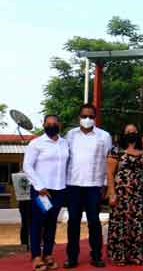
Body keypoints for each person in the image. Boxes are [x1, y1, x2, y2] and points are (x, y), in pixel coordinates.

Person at [64, 103, 112, 269]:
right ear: (79, 117)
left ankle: (97, 256)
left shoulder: (104, 136)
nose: (87, 119)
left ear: (95, 117)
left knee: (94, 223)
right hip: (73, 185)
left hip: (94, 185)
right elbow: (66, 159)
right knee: (73, 223)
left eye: (91, 116)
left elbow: (108, 161)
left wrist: (105, 185)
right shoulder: (70, 135)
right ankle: (72, 257)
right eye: (84, 116)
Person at [23, 114, 69, 271]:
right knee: (38, 223)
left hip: (59, 190)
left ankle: (48, 254)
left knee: (51, 223)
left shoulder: (65, 143)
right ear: (43, 125)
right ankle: (36, 256)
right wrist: (39, 186)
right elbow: (27, 166)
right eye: (48, 124)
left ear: (59, 125)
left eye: (54, 123)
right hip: (42, 191)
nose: (51, 126)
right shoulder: (36, 143)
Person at [106, 123, 143, 266]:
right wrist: (111, 193)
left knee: (137, 225)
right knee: (120, 225)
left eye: (134, 131)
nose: (131, 133)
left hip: (138, 195)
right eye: (128, 131)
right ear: (123, 133)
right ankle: (119, 255)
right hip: (121, 194)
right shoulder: (116, 150)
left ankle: (134, 255)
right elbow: (110, 173)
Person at [11, 170, 31, 251]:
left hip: (23, 202)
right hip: (26, 202)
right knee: (26, 223)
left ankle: (24, 243)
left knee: (25, 223)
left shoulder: (18, 175)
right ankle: (25, 243)